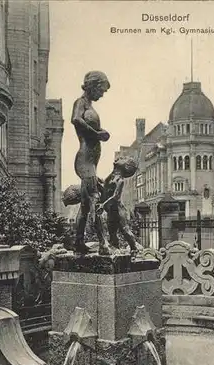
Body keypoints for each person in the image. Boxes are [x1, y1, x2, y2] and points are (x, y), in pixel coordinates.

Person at [71, 71, 111, 255]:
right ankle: (104, 244)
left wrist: (101, 132)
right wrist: (96, 134)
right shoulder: (81, 103)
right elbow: (76, 120)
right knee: (95, 200)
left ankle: (78, 242)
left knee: (86, 205)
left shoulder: (90, 105)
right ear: (93, 86)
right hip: (85, 159)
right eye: (101, 90)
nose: (102, 94)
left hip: (92, 160)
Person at [97, 156, 141, 256]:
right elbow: (105, 190)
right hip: (111, 211)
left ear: (126, 166)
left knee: (125, 230)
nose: (118, 158)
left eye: (122, 158)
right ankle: (115, 250)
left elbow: (116, 196)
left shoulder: (120, 180)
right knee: (112, 233)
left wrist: (103, 205)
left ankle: (135, 249)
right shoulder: (111, 176)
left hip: (118, 211)